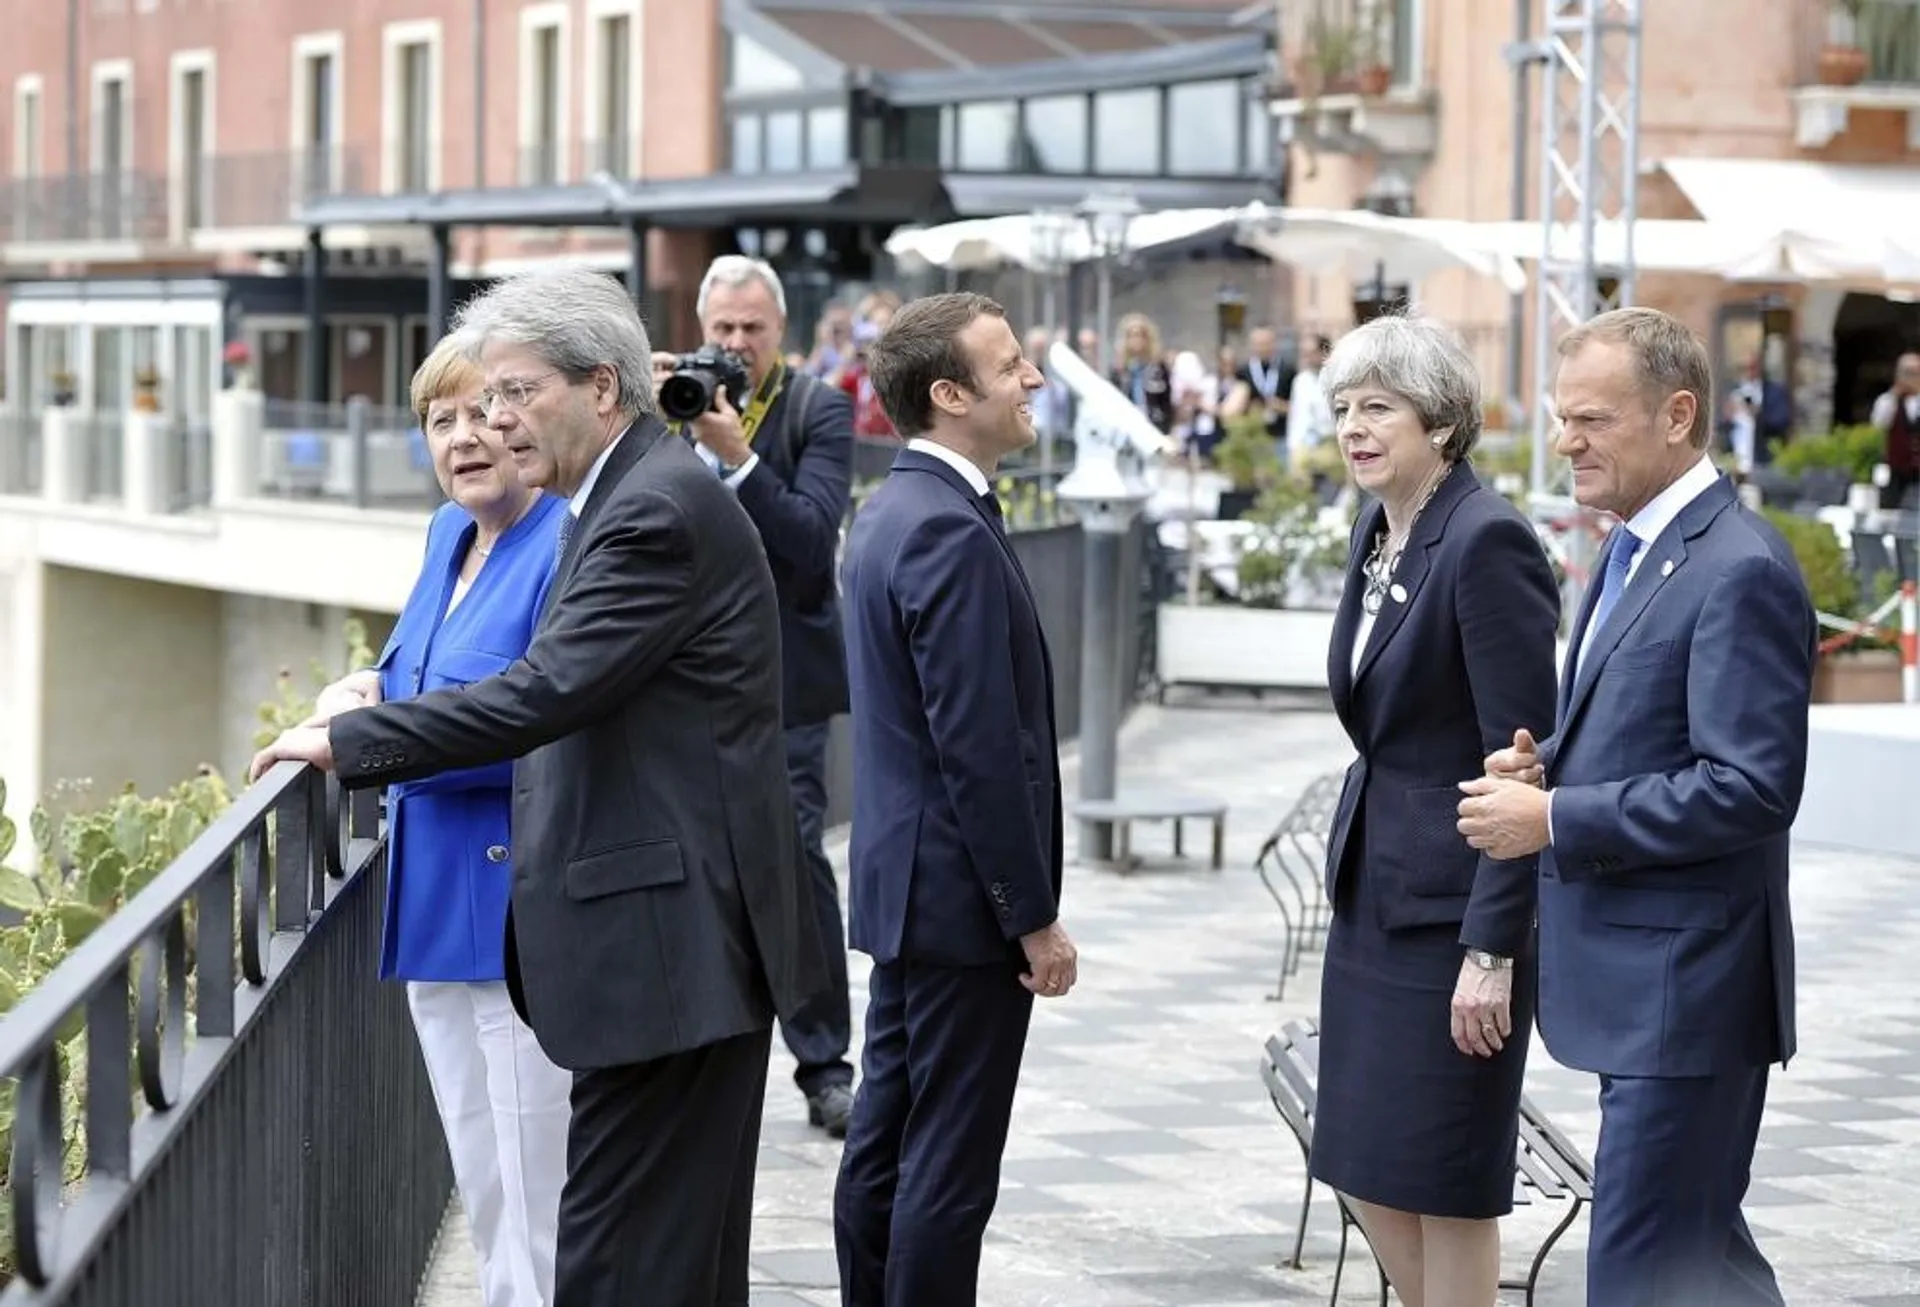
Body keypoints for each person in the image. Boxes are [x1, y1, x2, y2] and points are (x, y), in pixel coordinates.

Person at [250, 265, 826, 1307]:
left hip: (670, 948)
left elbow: (542, 691)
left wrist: (352, 742)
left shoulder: (650, 508)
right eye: (478, 401)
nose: (495, 418)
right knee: (662, 1261)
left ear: (602, 389)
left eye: (515, 392)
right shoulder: (621, 495)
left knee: (613, 1263)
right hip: (668, 944)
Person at [1460, 307, 1813, 1307]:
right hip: (1647, 986)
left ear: (1677, 415)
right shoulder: (1636, 548)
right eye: (1563, 416)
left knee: (1647, 1269)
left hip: (1689, 992)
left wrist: (1559, 820)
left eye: (1592, 419)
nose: (1566, 440)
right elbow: (1656, 726)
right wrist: (1550, 770)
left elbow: (1751, 786)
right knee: (1693, 1265)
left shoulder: (1738, 566)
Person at [309, 337, 572, 1307]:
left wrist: (366, 732)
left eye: (485, 411)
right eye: (441, 419)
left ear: (527, 423)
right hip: (427, 907)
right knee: (485, 1180)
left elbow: (543, 725)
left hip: (515, 916)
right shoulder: (444, 536)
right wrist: (354, 689)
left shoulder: (564, 541)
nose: (465, 436)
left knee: (539, 1192)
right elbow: (408, 668)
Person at [832, 292, 1077, 1307]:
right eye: (1011, 362)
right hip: (962, 905)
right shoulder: (946, 530)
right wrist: (1034, 918)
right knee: (945, 1165)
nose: (1033, 379)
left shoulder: (894, 511)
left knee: (887, 1140)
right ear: (948, 394)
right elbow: (978, 751)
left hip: (911, 892)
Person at [1311, 313, 1560, 1307]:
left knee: (1447, 1178)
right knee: (1365, 1161)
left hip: (1456, 912)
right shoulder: (1380, 526)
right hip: (1373, 892)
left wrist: (1491, 947)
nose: (1355, 427)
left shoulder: (1485, 537)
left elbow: (1523, 763)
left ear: (1442, 423)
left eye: (1380, 407)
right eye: (1343, 407)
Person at [653, 254, 859, 1138]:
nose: (735, 346)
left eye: (752, 330)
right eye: (722, 330)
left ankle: (825, 1064)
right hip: (684, 677)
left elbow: (814, 544)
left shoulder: (819, 409)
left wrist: (736, 457)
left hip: (786, 681)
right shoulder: (672, 405)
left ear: (782, 332)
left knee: (794, 858)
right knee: (694, 859)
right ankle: (701, 1050)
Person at [1868, 349, 1920, 510]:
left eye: (1915, 373)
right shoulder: (1887, 401)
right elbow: (1878, 425)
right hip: (1896, 469)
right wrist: (1895, 396)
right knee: (1890, 508)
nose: (1911, 378)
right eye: (1907, 373)